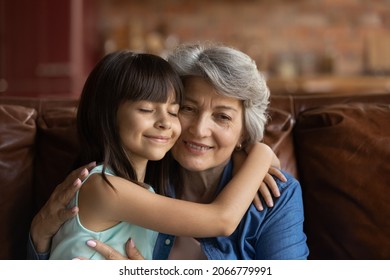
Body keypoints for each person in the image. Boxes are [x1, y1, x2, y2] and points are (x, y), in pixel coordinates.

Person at [28, 43, 308, 260]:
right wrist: (39, 236)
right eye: (186, 109)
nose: (199, 130)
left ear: (244, 132)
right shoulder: (144, 169)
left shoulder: (278, 195)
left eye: (222, 117)